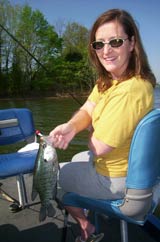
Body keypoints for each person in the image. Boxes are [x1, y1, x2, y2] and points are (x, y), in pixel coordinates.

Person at [49, 9, 156, 242]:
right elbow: (88, 108)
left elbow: (98, 147)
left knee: (57, 176)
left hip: (120, 179)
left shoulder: (131, 90)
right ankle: (88, 216)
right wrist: (70, 127)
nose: (106, 51)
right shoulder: (107, 81)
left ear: (131, 44)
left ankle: (86, 226)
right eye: (99, 44)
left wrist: (92, 129)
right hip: (115, 166)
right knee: (77, 157)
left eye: (115, 42)